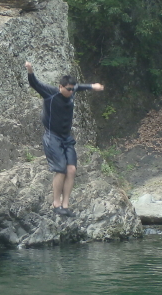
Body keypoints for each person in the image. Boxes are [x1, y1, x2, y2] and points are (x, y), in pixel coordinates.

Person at [24, 61, 104, 216]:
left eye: (72, 89)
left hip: (66, 137)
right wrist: (30, 70)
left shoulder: (72, 90)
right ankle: (56, 204)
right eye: (68, 89)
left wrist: (92, 86)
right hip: (52, 136)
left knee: (71, 170)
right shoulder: (50, 93)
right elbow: (34, 83)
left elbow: (79, 87)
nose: (71, 91)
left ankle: (65, 205)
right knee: (60, 169)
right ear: (60, 87)